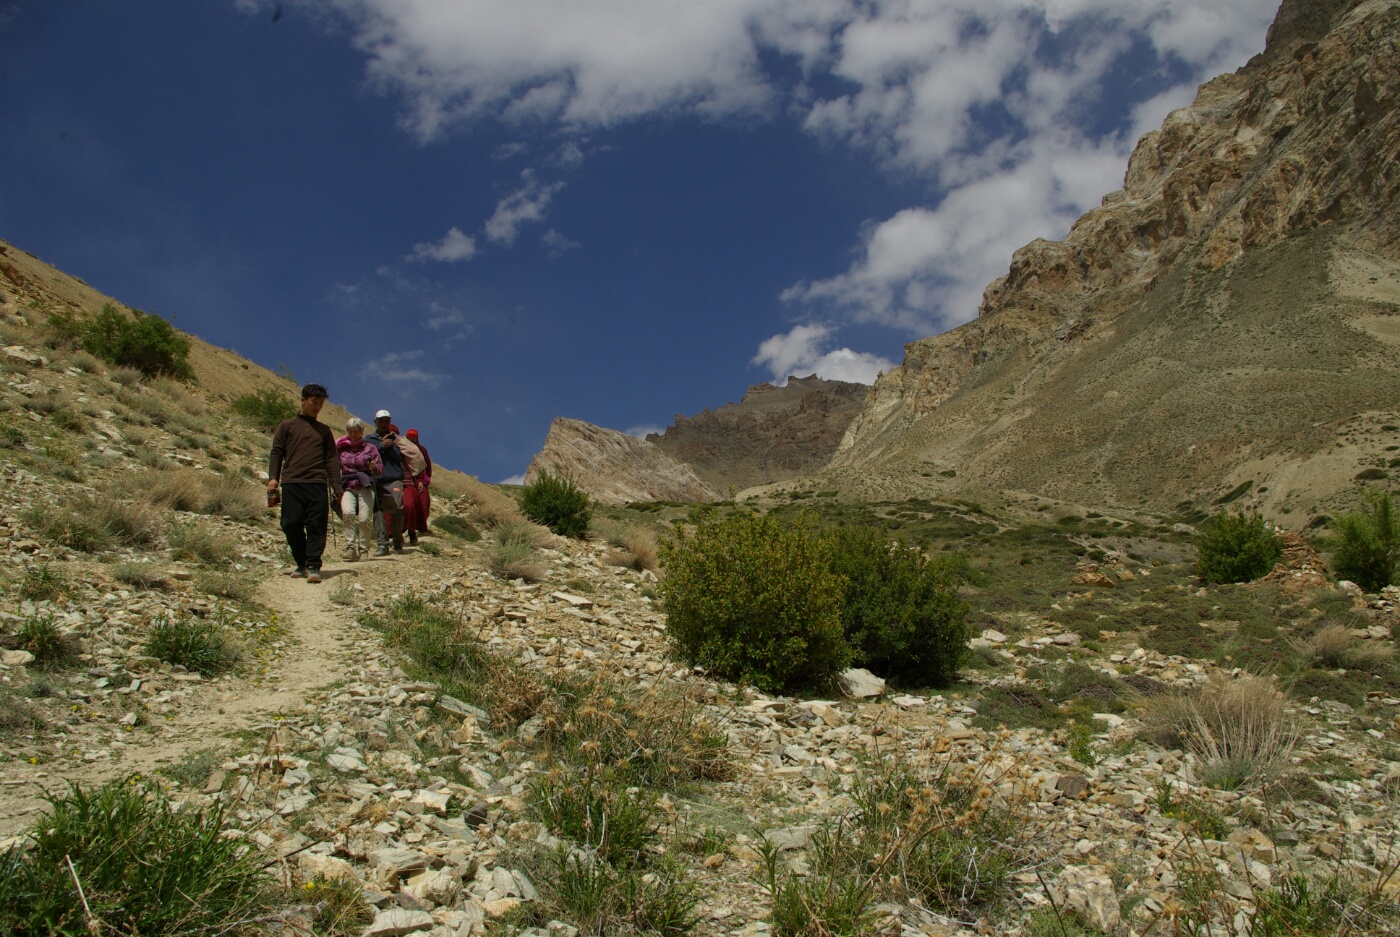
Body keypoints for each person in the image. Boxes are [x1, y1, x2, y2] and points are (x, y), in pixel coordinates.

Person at [267, 384, 343, 583]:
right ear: (303, 400)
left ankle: (313, 565)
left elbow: (331, 461)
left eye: (320, 403)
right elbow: (276, 452)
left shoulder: (324, 431)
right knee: (290, 523)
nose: (317, 407)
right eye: (314, 402)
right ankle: (301, 562)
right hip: (292, 481)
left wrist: (337, 488)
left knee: (316, 525)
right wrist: (273, 478)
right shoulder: (287, 426)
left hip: (317, 483)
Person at [336, 417, 382, 561]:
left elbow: (380, 468)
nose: (353, 434)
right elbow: (335, 465)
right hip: (348, 486)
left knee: (364, 519)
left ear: (362, 431)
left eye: (356, 431)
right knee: (348, 514)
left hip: (365, 486)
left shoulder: (370, 448)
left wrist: (374, 468)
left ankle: (364, 549)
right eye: (350, 431)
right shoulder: (341, 448)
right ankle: (350, 548)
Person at [367, 410, 406, 556]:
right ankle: (382, 544)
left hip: (394, 479)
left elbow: (400, 458)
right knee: (378, 511)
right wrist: (381, 447)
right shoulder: (369, 439)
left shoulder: (397, 439)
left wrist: (391, 446)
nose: (384, 423)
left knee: (397, 508)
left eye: (387, 421)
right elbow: (365, 457)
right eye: (381, 420)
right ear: (375, 422)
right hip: (376, 480)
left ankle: (397, 540)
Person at [402, 428, 433, 545]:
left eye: (413, 437)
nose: (411, 439)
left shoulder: (422, 450)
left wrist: (425, 479)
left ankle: (416, 527)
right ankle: (409, 528)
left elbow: (427, 465)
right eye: (409, 437)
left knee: (424, 503)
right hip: (407, 480)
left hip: (421, 480)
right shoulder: (403, 449)